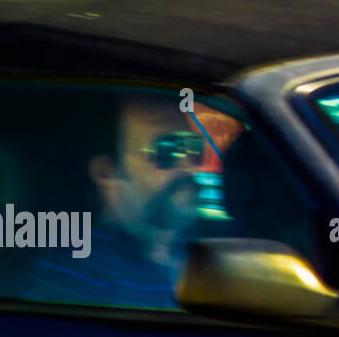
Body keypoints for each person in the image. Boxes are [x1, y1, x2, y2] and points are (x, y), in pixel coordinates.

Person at [25, 94, 206, 310]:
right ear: (107, 174)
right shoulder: (73, 272)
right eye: (165, 150)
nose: (187, 166)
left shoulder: (201, 251)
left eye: (194, 147)